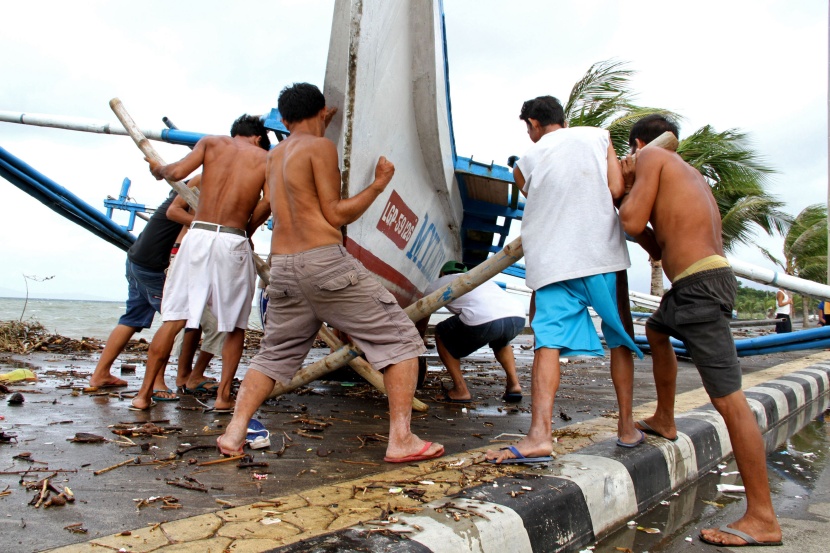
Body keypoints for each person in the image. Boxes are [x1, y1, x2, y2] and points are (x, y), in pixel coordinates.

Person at [216, 82, 443, 463]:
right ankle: (401, 439)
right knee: (402, 341)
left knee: (273, 356)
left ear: (284, 119)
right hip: (323, 262)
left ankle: (234, 432)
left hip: (282, 267)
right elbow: (336, 214)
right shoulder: (320, 147)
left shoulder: (274, 156)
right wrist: (379, 184)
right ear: (322, 112)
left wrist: (321, 119)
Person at [618, 114, 782, 547]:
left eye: (630, 152)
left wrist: (621, 187)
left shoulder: (651, 158)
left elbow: (629, 222)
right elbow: (655, 243)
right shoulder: (686, 174)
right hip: (692, 285)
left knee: (729, 400)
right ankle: (665, 418)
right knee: (657, 330)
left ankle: (762, 517)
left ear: (638, 145)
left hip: (700, 288)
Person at [486, 95, 644, 465]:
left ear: (533, 124)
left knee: (548, 343)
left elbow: (539, 194)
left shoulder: (524, 163)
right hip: (600, 254)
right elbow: (615, 190)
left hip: (553, 261)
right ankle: (626, 427)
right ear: (563, 119)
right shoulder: (599, 136)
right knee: (619, 335)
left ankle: (539, 435)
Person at [130, 114, 271, 412]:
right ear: (259, 137)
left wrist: (157, 169)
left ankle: (142, 395)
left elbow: (175, 172)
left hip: (197, 235)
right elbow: (268, 202)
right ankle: (223, 397)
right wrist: (246, 231)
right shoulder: (266, 159)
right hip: (233, 238)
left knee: (174, 319)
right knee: (234, 326)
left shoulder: (210, 143)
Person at [88, 189, 190, 398]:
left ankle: (100, 374)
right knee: (174, 320)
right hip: (153, 267)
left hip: (136, 259)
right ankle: (157, 383)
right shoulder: (191, 196)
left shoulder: (176, 195)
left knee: (132, 318)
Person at [423, 260, 526, 403]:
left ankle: (460, 390)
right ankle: (514, 385)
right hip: (517, 318)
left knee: (441, 332)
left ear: (442, 273)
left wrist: (419, 338)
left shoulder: (439, 283)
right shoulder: (480, 279)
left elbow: (423, 311)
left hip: (485, 321)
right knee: (501, 341)